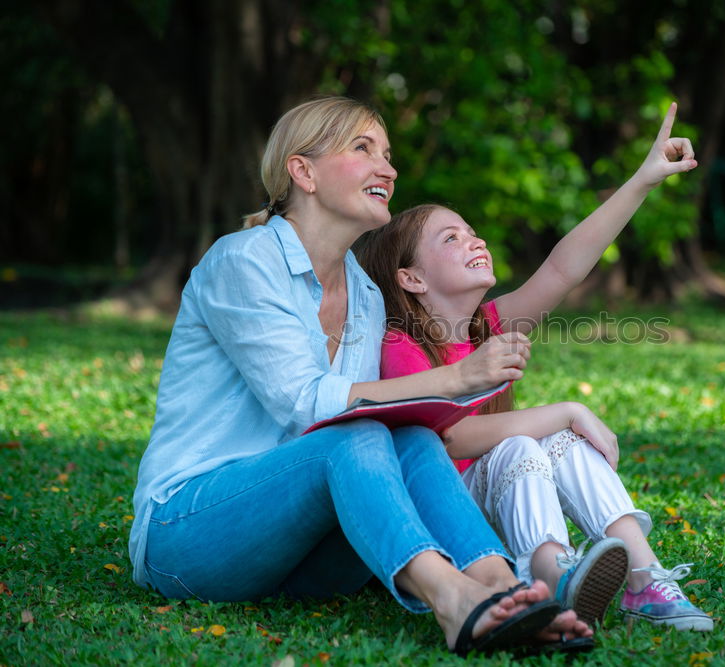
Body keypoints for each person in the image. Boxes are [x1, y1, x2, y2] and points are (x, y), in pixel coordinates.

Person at [127, 96, 592, 657]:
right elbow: (308, 404)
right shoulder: (243, 261)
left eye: (389, 154)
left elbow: (380, 418)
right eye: (363, 149)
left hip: (301, 553)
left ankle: (504, 587)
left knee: (411, 436)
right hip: (190, 536)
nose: (389, 169)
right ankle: (453, 599)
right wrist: (452, 380)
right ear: (304, 172)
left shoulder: (367, 295)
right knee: (352, 433)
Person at [357, 103, 714, 632]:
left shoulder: (491, 325)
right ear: (411, 279)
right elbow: (449, 441)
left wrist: (642, 180)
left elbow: (565, 265)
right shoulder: (403, 345)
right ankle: (549, 575)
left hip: (498, 501)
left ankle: (646, 578)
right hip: (452, 526)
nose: (474, 240)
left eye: (472, 232)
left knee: (563, 442)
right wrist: (567, 409)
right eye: (450, 239)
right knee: (527, 441)